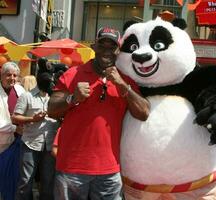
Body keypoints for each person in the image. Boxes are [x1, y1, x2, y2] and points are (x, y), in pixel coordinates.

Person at [48, 27, 150, 200]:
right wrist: (73, 98)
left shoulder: (125, 79)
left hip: (109, 170)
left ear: (118, 50)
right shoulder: (73, 74)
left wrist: (122, 85)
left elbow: (144, 112)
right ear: (94, 47)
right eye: (102, 46)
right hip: (72, 167)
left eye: (112, 47)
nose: (106, 52)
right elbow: (51, 109)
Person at [13, 72, 59, 200]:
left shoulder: (55, 97)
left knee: (48, 181)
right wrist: (32, 118)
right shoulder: (26, 96)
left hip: (50, 146)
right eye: (49, 82)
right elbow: (15, 117)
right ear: (40, 82)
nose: (52, 84)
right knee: (26, 181)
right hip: (30, 144)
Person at [0, 62, 25, 200]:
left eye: (15, 75)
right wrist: (16, 128)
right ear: (1, 75)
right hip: (2, 145)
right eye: (8, 75)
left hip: (18, 142)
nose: (12, 78)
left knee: (14, 180)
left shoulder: (20, 90)